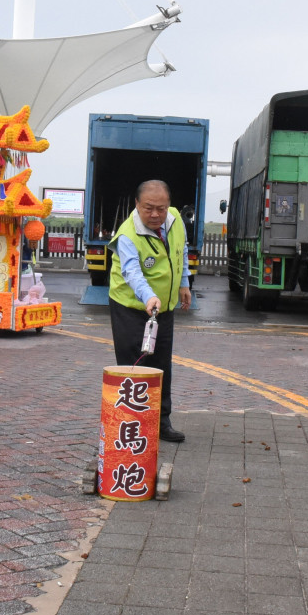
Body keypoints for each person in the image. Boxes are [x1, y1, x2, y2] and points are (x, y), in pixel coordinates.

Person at [107, 180, 192, 443]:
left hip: (163, 309)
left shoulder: (175, 218)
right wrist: (149, 296)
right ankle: (133, 426)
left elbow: (181, 251)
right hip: (131, 308)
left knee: (161, 364)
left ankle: (161, 422)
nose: (155, 214)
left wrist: (184, 282)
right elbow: (132, 272)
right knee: (136, 366)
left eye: (161, 208)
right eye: (149, 209)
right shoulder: (127, 235)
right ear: (137, 205)